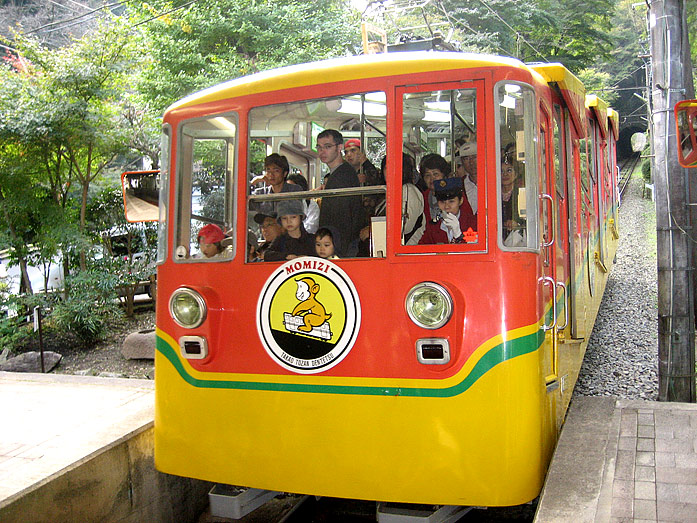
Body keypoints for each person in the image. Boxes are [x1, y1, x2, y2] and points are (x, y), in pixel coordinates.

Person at [317, 129, 365, 257]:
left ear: (339, 148)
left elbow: (341, 217)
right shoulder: (339, 173)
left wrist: (336, 249)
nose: (322, 151)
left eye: (327, 146)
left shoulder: (343, 175)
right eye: (319, 147)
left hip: (341, 245)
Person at [419, 177, 476, 245]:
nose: (446, 206)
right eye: (442, 202)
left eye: (451, 201)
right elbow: (422, 248)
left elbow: (475, 251)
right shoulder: (433, 226)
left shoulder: (473, 222)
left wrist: (459, 235)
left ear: (461, 201)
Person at [500, 148, 525, 246]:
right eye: (501, 171)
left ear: (516, 174)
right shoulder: (492, 195)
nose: (505, 174)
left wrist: (517, 225)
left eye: (509, 170)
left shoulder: (522, 195)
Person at [419, 153, 450, 223]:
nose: (432, 178)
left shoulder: (455, 194)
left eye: (435, 174)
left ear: (444, 175)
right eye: (427, 175)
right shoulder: (421, 198)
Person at [455, 142, 478, 214]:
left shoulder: (492, 182)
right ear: (462, 162)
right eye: (466, 159)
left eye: (474, 157)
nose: (471, 162)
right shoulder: (458, 185)